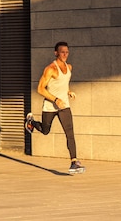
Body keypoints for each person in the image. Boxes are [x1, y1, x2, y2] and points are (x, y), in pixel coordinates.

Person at [25, 41, 85, 174]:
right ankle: (31, 122)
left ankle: (74, 162)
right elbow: (40, 89)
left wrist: (68, 91)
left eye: (67, 52)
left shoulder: (69, 67)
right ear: (56, 53)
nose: (65, 54)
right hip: (50, 106)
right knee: (45, 130)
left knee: (70, 132)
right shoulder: (50, 69)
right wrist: (55, 99)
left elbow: (63, 83)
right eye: (62, 52)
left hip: (64, 105)